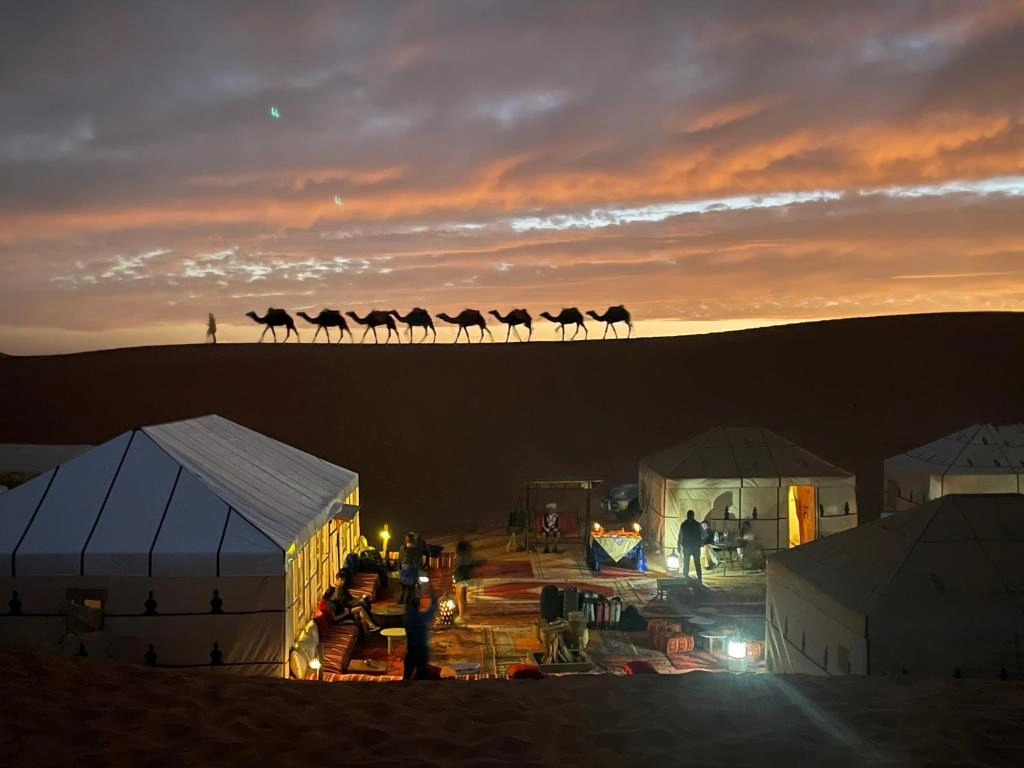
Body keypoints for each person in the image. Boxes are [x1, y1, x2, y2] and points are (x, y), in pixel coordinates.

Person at [403, 582, 438, 680]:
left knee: (406, 675)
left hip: (410, 651)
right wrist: (431, 587)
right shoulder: (423, 617)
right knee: (421, 676)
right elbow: (434, 604)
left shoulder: (407, 616)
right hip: (422, 652)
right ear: (419, 605)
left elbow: (407, 605)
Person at [452, 538, 478, 624]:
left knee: (460, 597)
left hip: (460, 578)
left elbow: (457, 567)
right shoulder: (468, 556)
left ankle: (461, 616)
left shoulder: (460, 557)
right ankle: (464, 613)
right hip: (466, 578)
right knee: (463, 596)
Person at [678, 509, 703, 584]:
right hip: (693, 546)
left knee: (688, 562)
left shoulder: (684, 524)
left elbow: (680, 535)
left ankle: (688, 577)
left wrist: (679, 544)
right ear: (693, 516)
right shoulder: (697, 524)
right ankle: (697, 578)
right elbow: (702, 534)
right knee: (694, 563)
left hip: (689, 545)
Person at [398, 533, 420, 605]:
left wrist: (399, 570)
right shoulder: (415, 550)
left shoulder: (402, 548)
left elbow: (399, 560)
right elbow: (416, 563)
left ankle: (399, 605)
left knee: (403, 589)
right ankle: (405, 607)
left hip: (403, 570)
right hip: (411, 571)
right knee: (409, 590)